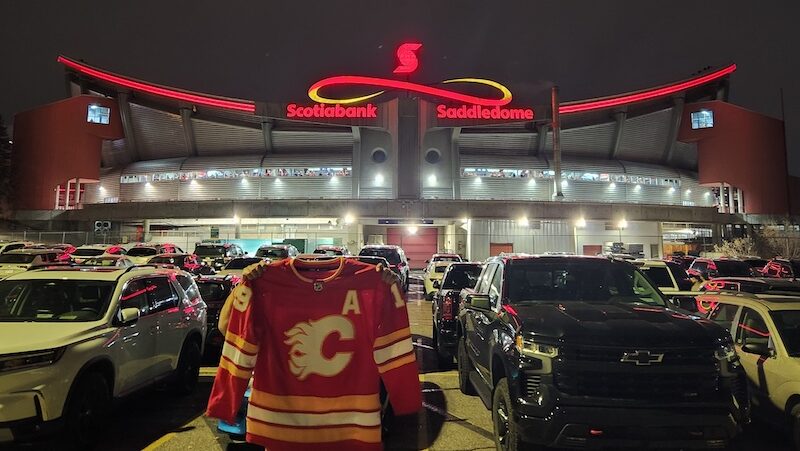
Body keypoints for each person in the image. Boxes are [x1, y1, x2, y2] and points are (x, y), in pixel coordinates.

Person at [217, 259, 401, 334]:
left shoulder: (366, 287)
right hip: (282, 404)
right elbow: (226, 327)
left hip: (342, 407)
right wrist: (245, 285)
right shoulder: (267, 285)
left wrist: (390, 288)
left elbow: (389, 332)